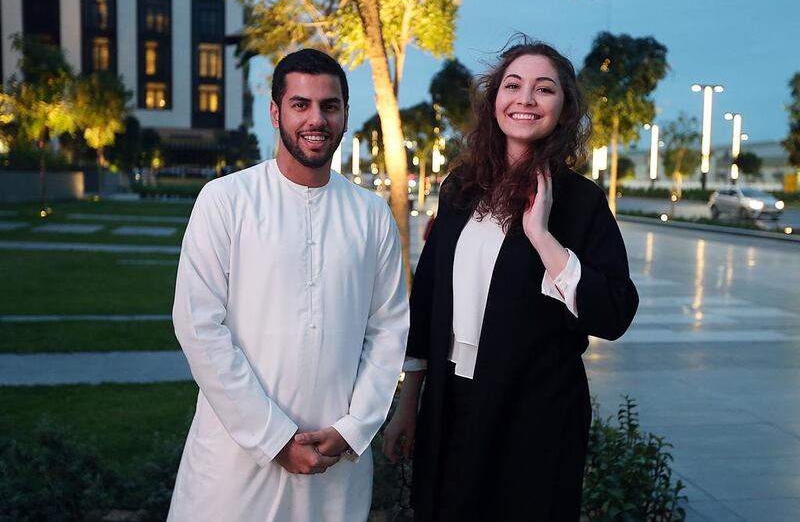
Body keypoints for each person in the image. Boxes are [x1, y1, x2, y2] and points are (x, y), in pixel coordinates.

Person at [383, 38, 639, 521]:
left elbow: (615, 312)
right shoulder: (459, 189)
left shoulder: (580, 202)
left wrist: (542, 237)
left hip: (536, 413)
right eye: (513, 85)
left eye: (543, 89)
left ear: (563, 111)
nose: (525, 99)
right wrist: (408, 403)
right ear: (494, 99)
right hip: (452, 401)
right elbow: (431, 299)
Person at [169, 49, 409, 521]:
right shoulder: (225, 201)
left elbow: (388, 332)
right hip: (234, 462)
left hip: (333, 464)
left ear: (344, 114)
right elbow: (198, 326)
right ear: (276, 112)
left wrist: (353, 428)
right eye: (301, 105)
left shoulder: (371, 215)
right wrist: (275, 438)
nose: (316, 119)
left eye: (330, 105)